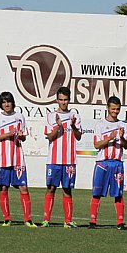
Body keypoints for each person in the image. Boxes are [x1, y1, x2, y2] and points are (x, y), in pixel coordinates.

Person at [0, 91, 35, 227]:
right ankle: (7, 219)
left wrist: (20, 136)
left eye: (8, 101)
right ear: (0, 104)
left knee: (23, 188)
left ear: (12, 103)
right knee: (3, 188)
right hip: (3, 159)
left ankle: (27, 219)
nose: (6, 104)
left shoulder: (19, 116)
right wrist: (8, 134)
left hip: (18, 158)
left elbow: (24, 136)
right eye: (3, 102)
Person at [41, 86, 81, 228]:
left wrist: (74, 126)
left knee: (67, 190)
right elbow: (49, 137)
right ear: (57, 100)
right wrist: (58, 126)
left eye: (66, 100)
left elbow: (79, 137)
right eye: (61, 100)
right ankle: (46, 219)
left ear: (69, 100)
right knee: (51, 188)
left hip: (70, 160)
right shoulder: (51, 116)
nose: (63, 102)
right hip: (54, 160)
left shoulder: (74, 115)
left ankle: (68, 221)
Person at [90, 96, 127, 230]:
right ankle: (93, 221)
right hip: (102, 163)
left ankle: (120, 222)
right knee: (97, 193)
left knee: (118, 194)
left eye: (117, 109)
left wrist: (122, 137)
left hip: (117, 163)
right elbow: (96, 144)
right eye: (113, 109)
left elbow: (126, 145)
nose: (115, 111)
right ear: (107, 108)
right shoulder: (100, 125)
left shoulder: (123, 125)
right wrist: (109, 138)